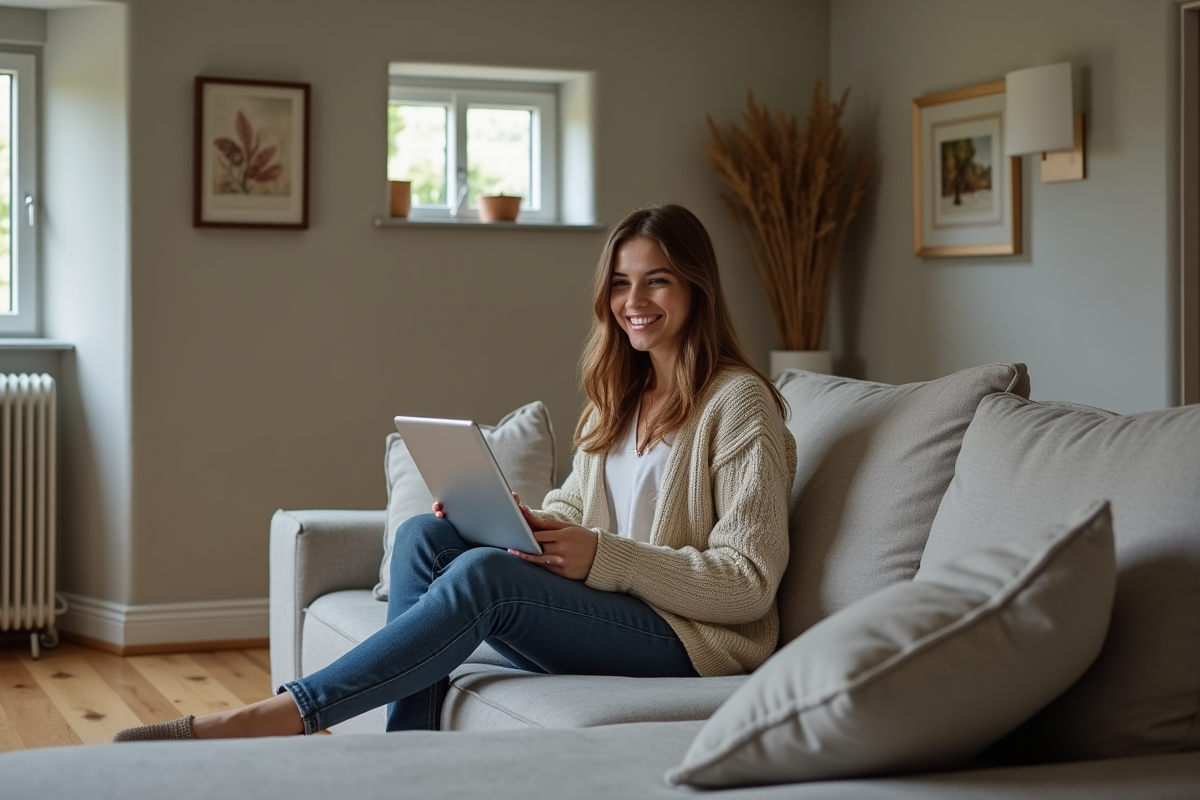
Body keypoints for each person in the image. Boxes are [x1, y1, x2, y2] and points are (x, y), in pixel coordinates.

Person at [113, 203, 797, 741]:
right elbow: (578, 505)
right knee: (424, 537)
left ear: (697, 287)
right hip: (608, 609)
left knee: (485, 577)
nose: (634, 300)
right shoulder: (618, 393)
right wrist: (523, 521)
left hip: (686, 640)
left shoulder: (739, 404)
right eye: (620, 283)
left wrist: (602, 557)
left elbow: (749, 582)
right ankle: (412, 750)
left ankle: (279, 715)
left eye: (657, 280)